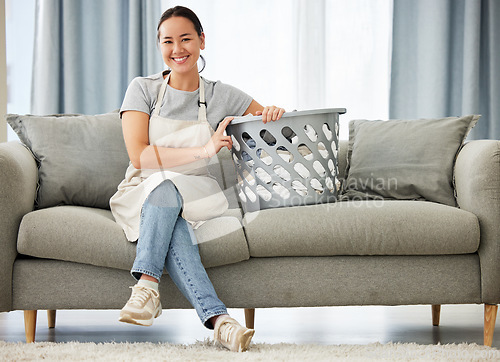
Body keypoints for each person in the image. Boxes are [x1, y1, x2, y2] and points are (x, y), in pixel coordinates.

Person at [109, 6, 285, 353]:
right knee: (165, 192)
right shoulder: (142, 89)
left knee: (170, 191)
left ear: (202, 41)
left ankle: (146, 287)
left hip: (198, 194)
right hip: (143, 188)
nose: (178, 49)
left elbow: (274, 135)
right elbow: (140, 157)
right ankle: (221, 321)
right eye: (168, 41)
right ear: (159, 46)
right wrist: (204, 151)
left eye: (186, 38)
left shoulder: (223, 95)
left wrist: (273, 116)